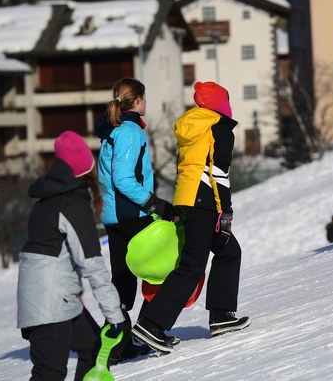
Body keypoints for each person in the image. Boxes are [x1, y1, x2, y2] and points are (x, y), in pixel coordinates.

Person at [132, 81, 250, 353]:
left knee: (229, 251)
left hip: (187, 199)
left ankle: (220, 315)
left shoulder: (192, 125)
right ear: (221, 104)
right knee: (192, 266)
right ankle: (151, 324)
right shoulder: (218, 128)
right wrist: (226, 212)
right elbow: (217, 173)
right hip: (205, 201)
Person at [17, 131, 125, 381]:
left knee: (93, 346)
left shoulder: (46, 201)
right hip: (52, 304)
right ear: (85, 167)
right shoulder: (72, 205)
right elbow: (92, 265)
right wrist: (114, 316)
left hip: (50, 300)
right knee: (49, 374)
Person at [96, 78, 173, 362]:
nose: (146, 102)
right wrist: (155, 204)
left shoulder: (112, 130)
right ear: (138, 100)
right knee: (167, 266)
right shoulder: (129, 132)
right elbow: (123, 179)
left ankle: (117, 345)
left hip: (114, 215)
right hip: (131, 212)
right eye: (145, 97)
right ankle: (151, 327)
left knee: (124, 281)